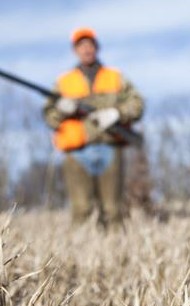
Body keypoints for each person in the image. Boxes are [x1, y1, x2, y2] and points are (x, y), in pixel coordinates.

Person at [43, 27, 144, 230]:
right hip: (77, 151)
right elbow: (49, 116)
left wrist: (117, 113)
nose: (86, 49)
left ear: (96, 47)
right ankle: (77, 256)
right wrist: (62, 110)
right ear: (75, 50)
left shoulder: (115, 76)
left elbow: (137, 104)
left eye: (90, 45)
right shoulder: (64, 81)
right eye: (81, 46)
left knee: (113, 211)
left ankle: (116, 252)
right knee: (81, 210)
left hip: (110, 146)